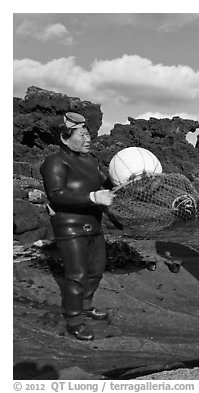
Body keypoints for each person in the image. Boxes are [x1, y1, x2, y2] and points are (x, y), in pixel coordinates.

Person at [40, 112, 115, 341]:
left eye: (88, 133)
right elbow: (56, 195)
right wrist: (93, 197)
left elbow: (108, 182)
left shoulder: (91, 160)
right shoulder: (54, 162)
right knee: (77, 275)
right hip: (70, 227)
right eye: (81, 134)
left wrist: (129, 178)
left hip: (94, 224)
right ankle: (74, 321)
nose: (87, 138)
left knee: (96, 270)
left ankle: (86, 305)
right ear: (65, 138)